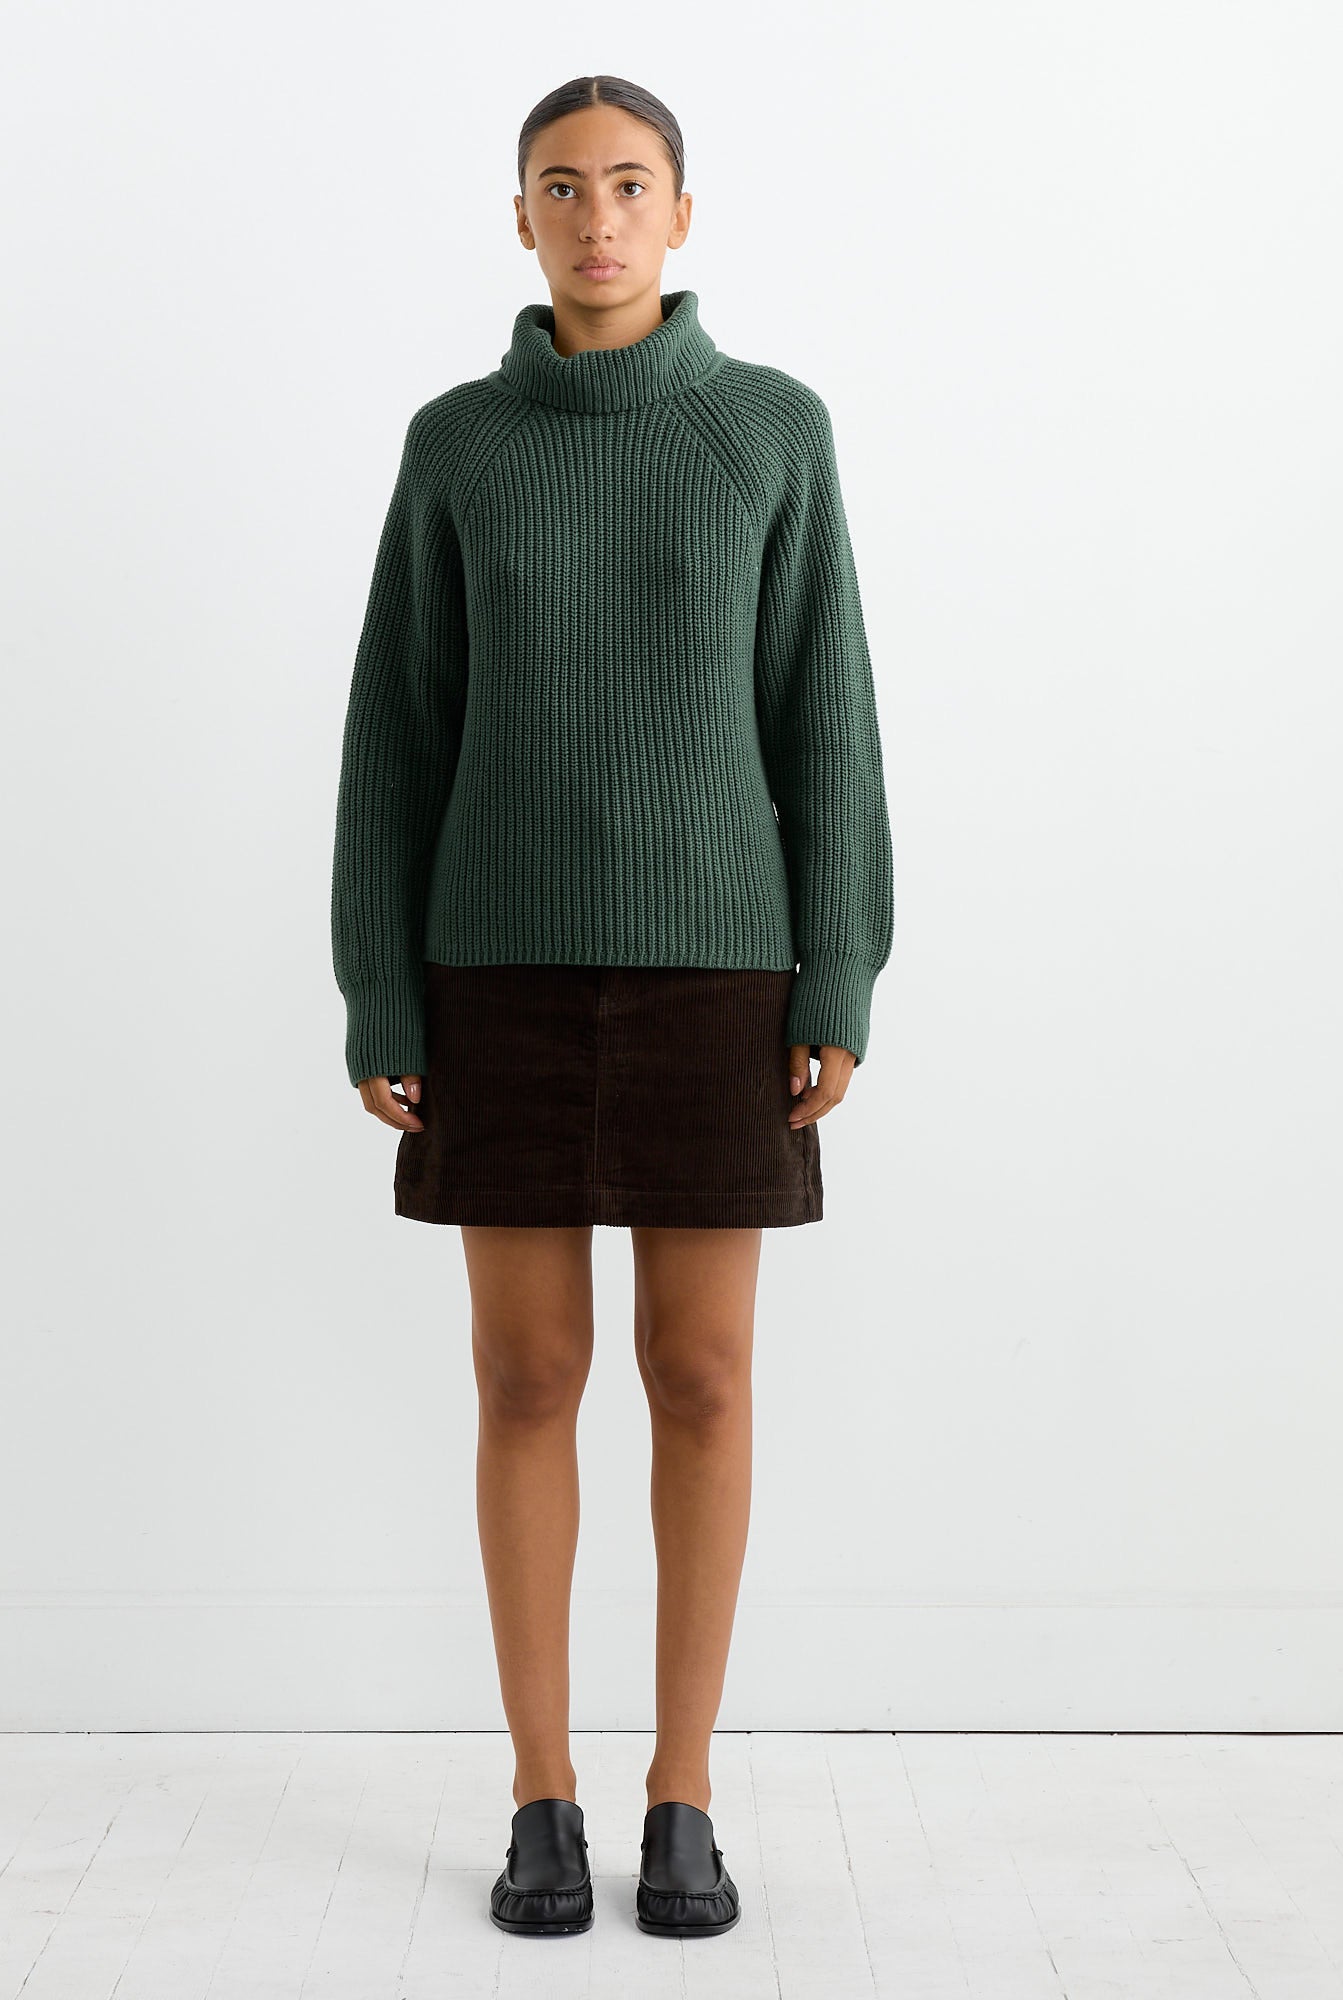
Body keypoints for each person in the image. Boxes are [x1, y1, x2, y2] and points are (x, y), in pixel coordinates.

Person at [330, 74, 894, 1941]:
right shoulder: (458, 446)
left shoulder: (770, 433)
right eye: (560, 187)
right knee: (525, 1378)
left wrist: (838, 965)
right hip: (492, 968)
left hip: (720, 970)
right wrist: (380, 986)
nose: (596, 218)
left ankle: (683, 1792)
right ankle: (541, 1794)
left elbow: (826, 712)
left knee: (702, 1377)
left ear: (681, 211)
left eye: (629, 184)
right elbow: (397, 731)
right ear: (520, 217)